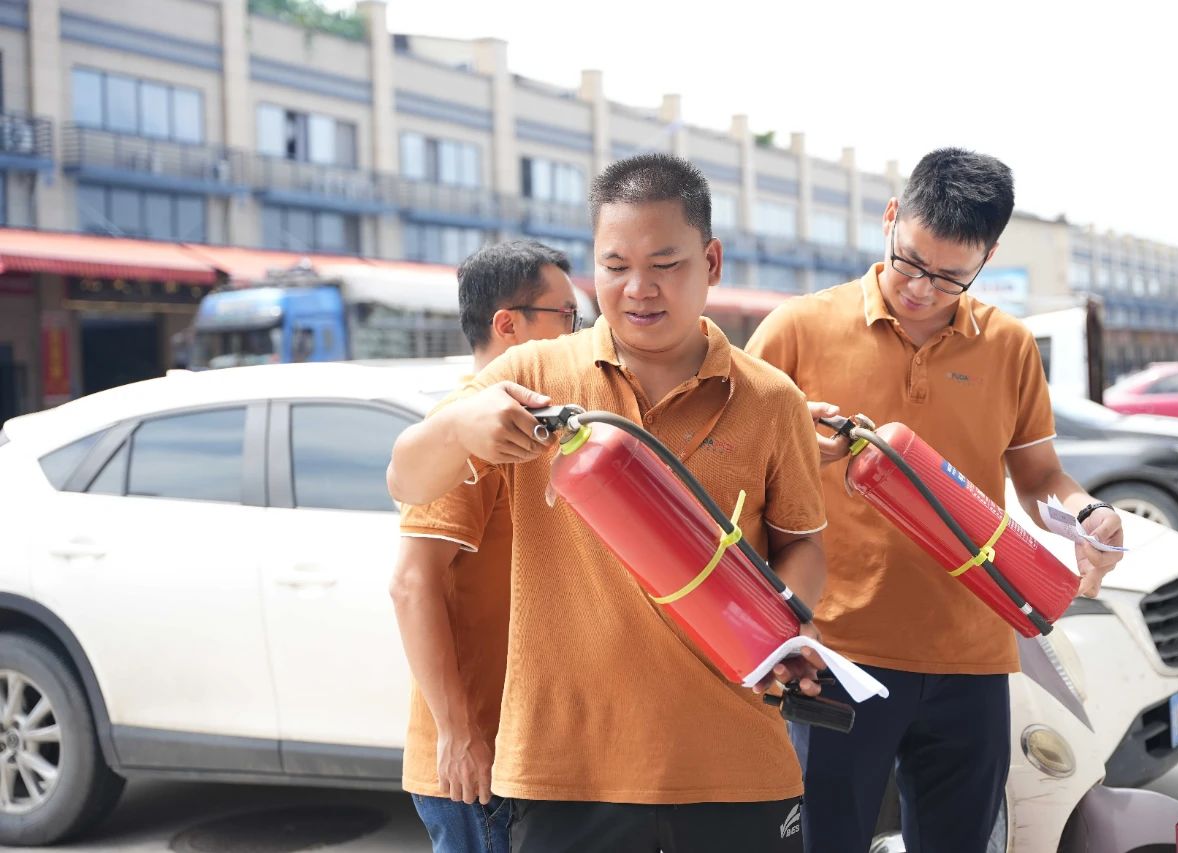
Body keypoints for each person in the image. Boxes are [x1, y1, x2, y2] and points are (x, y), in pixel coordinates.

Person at [388, 153, 827, 853]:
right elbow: (405, 480)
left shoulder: (772, 399)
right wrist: (458, 428)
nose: (638, 289)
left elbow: (801, 540)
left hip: (737, 763)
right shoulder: (531, 375)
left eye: (665, 264)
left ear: (711, 262)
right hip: (565, 773)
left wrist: (786, 629)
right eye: (615, 266)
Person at [745, 147, 1125, 853]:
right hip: (835, 652)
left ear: (989, 257)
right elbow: (730, 465)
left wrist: (1086, 513)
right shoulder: (797, 329)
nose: (922, 289)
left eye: (951, 277)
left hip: (973, 655)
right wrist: (794, 444)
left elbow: (1039, 474)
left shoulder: (1009, 345)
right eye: (911, 262)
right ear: (891, 217)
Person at [390, 240, 578, 853]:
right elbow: (412, 583)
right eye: (567, 316)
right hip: (480, 762)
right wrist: (458, 734)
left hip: (524, 749)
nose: (578, 333)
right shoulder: (467, 427)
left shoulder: (529, 422)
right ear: (507, 324)